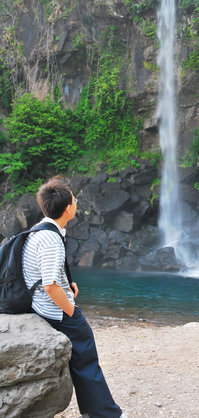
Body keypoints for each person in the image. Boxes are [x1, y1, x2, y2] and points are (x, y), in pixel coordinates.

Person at [22, 176, 125, 418]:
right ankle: (106, 414)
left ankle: (93, 410)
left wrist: (68, 285)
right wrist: (70, 309)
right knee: (87, 356)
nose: (76, 202)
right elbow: (49, 286)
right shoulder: (51, 239)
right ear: (68, 208)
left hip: (40, 305)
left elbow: (44, 274)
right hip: (55, 310)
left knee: (83, 358)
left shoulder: (39, 230)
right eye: (74, 199)